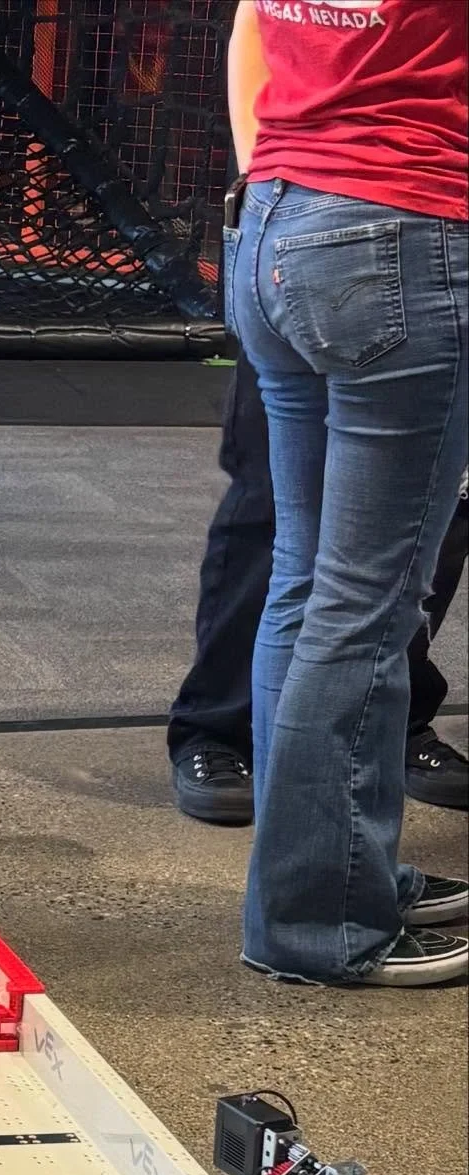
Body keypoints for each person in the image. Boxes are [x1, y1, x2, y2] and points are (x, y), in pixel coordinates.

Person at [224, 0, 468, 987]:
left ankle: (329, 877)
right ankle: (319, 921)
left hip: (279, 219)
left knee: (310, 581)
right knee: (366, 602)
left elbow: (251, 25)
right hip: (404, 226)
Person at [169, 349, 468, 824]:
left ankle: (391, 722)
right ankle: (219, 727)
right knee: (281, 511)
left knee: (438, 514)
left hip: (448, 322)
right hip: (312, 315)